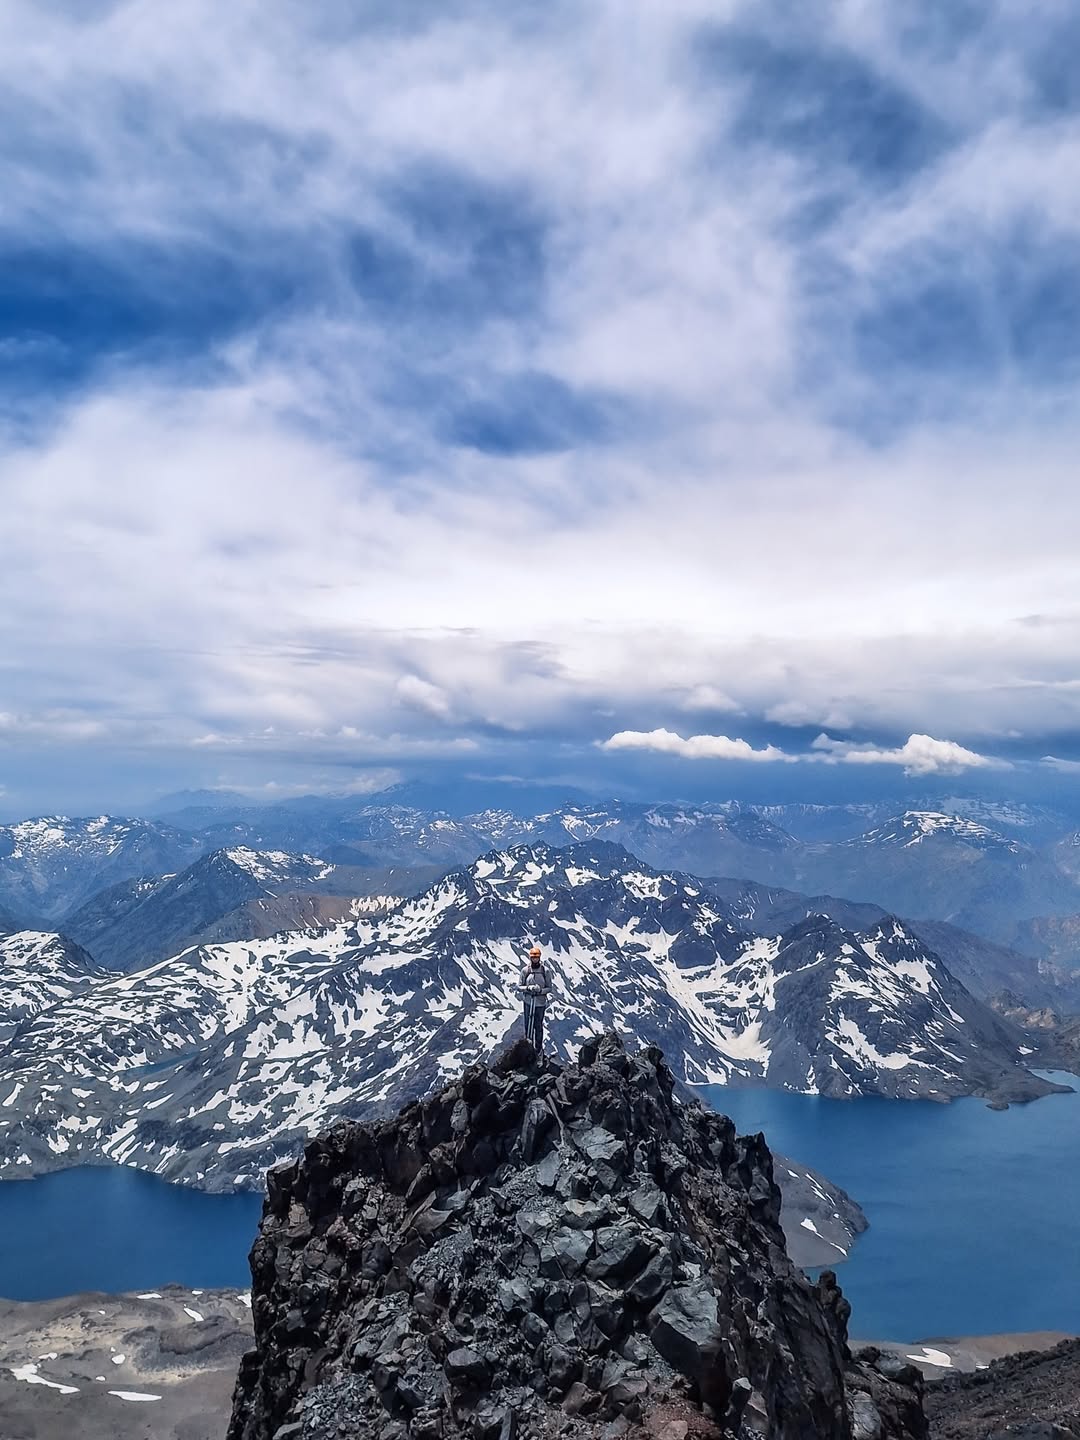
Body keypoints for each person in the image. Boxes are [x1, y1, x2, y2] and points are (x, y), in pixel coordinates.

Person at [519, 945, 550, 1051]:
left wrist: (540, 991)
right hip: (528, 1002)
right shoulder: (525, 970)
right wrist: (528, 988)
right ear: (530, 958)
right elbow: (519, 986)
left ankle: (538, 1049)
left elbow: (549, 988)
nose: (535, 959)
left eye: (536, 957)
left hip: (540, 1003)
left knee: (538, 1026)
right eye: (533, 957)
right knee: (528, 1026)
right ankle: (528, 1048)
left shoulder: (545, 971)